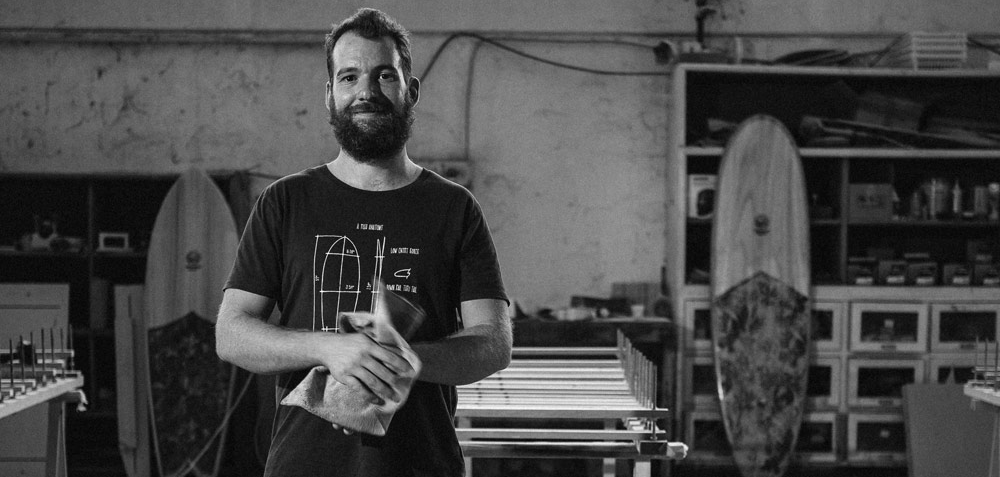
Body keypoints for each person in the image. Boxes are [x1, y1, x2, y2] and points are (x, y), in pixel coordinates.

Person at [215, 8, 511, 477]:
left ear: (411, 90)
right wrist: (329, 349)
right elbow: (231, 334)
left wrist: (402, 359)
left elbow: (494, 343)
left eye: (384, 75)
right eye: (349, 77)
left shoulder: (454, 208)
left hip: (421, 465)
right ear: (330, 94)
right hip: (304, 466)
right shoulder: (285, 202)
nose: (365, 91)